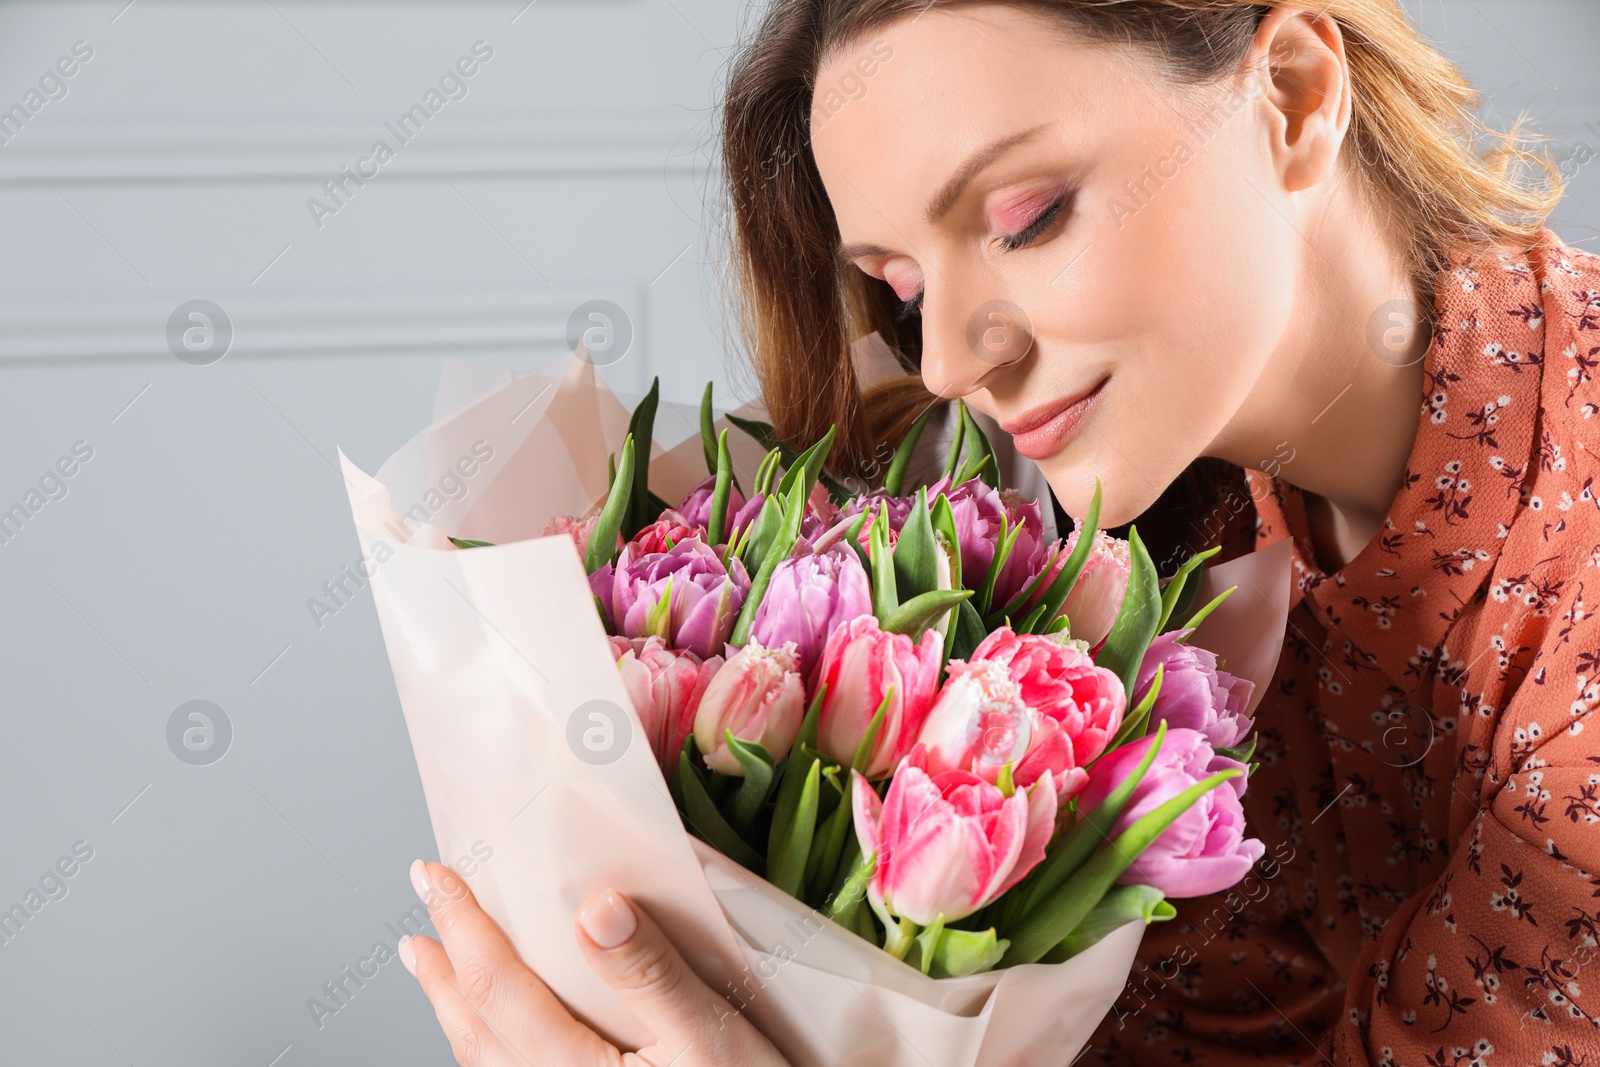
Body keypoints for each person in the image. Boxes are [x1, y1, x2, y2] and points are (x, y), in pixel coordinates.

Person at [400, 2, 1600, 1063]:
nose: (949, 358)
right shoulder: (1147, 541)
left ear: (1289, 94)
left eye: (1025, 219)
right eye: (903, 288)